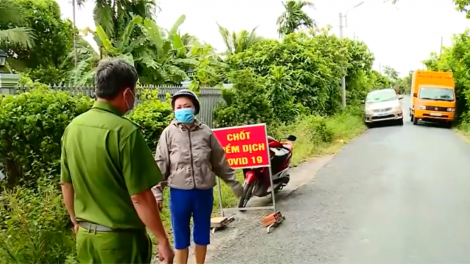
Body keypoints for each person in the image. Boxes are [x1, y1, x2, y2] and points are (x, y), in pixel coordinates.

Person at [60, 58, 174, 264]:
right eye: (135, 91)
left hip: (86, 240)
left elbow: (66, 184)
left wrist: (75, 221)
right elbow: (140, 196)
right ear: (127, 93)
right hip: (120, 243)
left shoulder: (73, 128)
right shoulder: (126, 132)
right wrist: (162, 239)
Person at [152, 89, 243, 264]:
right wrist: (157, 192)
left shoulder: (206, 133)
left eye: (187, 106)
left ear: (195, 109)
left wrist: (235, 184)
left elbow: (220, 162)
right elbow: (161, 163)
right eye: (179, 107)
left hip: (203, 193)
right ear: (174, 110)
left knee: (202, 234)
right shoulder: (168, 133)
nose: (183, 109)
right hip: (179, 194)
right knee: (180, 236)